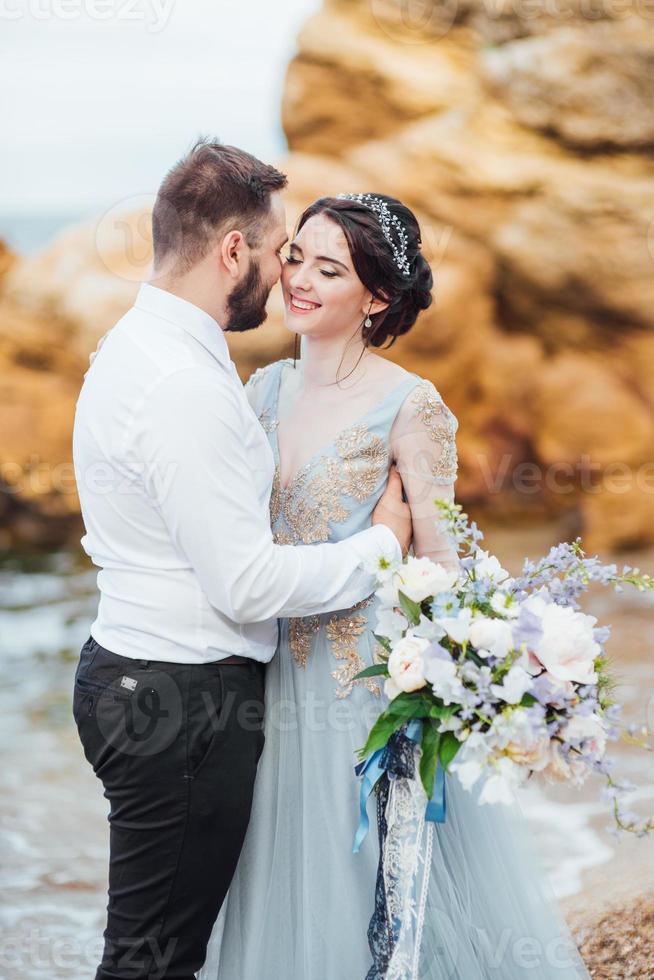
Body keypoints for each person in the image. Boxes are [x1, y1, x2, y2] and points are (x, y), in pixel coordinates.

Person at [200, 194, 592, 979]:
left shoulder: (411, 405)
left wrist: (463, 673)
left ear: (376, 298)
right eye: (296, 256)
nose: (299, 280)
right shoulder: (261, 391)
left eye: (329, 269)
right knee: (264, 878)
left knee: (368, 893)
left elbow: (441, 562)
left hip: (359, 698)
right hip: (261, 680)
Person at [71, 141, 412, 980]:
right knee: (154, 960)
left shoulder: (145, 345)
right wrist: (382, 547)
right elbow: (248, 581)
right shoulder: (184, 382)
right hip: (177, 698)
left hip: (141, 676)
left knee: (156, 947)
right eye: (276, 252)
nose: (284, 275)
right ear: (233, 250)